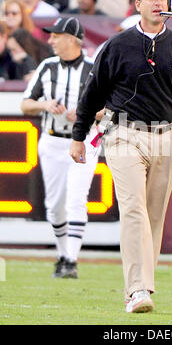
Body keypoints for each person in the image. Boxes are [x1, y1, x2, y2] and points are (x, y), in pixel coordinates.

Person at [70, 0, 172, 313]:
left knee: (154, 215)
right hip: (124, 133)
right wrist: (78, 136)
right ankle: (136, 291)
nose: (158, 2)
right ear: (138, 3)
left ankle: (145, 286)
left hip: (167, 135)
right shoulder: (117, 45)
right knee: (133, 210)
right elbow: (92, 93)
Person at [20, 17, 99, 278]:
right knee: (54, 205)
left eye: (56, 35)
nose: (51, 40)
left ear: (72, 39)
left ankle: (71, 259)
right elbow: (25, 104)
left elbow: (110, 107)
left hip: (85, 139)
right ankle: (63, 254)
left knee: (77, 199)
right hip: (52, 140)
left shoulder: (94, 68)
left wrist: (86, 113)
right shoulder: (47, 66)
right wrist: (45, 105)